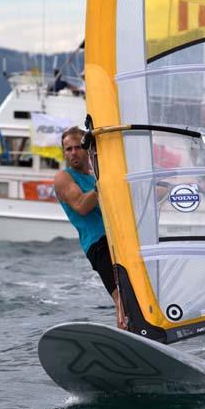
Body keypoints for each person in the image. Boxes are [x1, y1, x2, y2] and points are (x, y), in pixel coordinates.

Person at [54, 127, 127, 330]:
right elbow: (81, 206)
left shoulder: (95, 175)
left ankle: (141, 337)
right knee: (122, 298)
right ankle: (128, 342)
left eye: (78, 147)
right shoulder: (63, 178)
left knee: (135, 294)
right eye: (68, 149)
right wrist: (102, 184)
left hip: (119, 240)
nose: (73, 153)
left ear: (87, 149)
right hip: (98, 244)